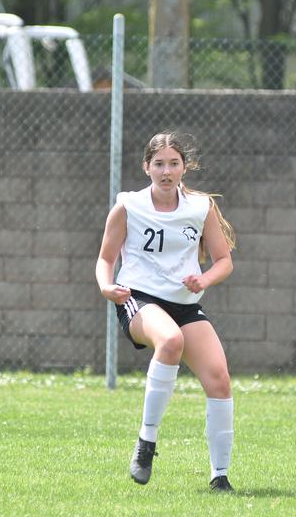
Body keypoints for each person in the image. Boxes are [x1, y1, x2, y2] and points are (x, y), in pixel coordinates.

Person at [95, 131, 236, 492]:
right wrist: (106, 286)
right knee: (169, 341)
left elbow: (223, 261)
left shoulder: (200, 207)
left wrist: (203, 280)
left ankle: (220, 476)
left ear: (184, 167)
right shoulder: (128, 205)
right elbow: (105, 259)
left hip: (185, 304)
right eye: (159, 163)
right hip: (138, 298)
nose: (166, 170)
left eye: (174, 163)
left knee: (219, 379)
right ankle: (146, 443)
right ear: (147, 167)